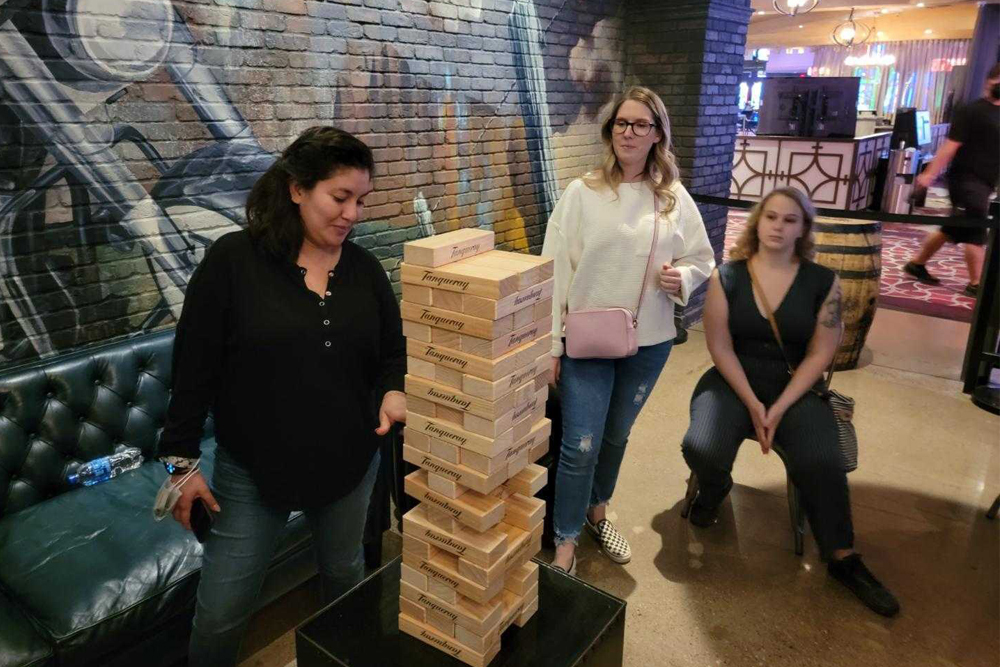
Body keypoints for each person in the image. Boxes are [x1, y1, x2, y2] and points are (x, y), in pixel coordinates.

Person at [156, 126, 407, 667]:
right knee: (221, 612)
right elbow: (193, 369)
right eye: (339, 197)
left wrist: (391, 390)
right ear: (296, 189)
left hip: (349, 464)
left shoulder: (365, 271)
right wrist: (179, 466)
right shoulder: (233, 262)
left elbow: (392, 351)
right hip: (252, 474)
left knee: (344, 579)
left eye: (361, 200)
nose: (352, 214)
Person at [681, 187, 899, 617]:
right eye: (771, 217)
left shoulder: (823, 282)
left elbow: (821, 353)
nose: (778, 227)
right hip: (733, 380)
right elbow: (719, 346)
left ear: (803, 229)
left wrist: (778, 407)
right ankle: (715, 488)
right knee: (701, 446)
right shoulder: (728, 276)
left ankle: (842, 557)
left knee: (823, 459)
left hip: (795, 384)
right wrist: (753, 403)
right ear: (757, 222)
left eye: (790, 220)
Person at [542, 86, 715, 574]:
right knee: (580, 444)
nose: (629, 132)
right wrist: (551, 344)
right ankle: (566, 540)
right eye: (622, 123)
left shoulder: (672, 198)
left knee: (616, 436)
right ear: (610, 130)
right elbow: (553, 270)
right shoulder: (583, 193)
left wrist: (682, 278)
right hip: (587, 342)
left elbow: (702, 258)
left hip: (649, 342)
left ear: (658, 134)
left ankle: (598, 512)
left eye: (641, 124)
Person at [904, 63, 1000, 296]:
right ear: (991, 80)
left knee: (954, 227)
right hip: (966, 180)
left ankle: (917, 264)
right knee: (976, 229)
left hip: (986, 180)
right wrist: (929, 174)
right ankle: (976, 283)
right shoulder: (972, 111)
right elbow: (950, 146)